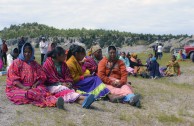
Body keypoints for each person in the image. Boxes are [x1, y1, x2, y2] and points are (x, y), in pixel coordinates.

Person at [5, 43, 64, 109]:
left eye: (29, 52)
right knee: (30, 93)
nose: (27, 54)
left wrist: (36, 84)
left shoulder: (35, 64)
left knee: (42, 90)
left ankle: (55, 101)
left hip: (33, 86)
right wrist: (23, 87)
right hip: (19, 87)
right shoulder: (16, 63)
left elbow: (42, 76)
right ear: (22, 52)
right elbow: (14, 78)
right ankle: (54, 102)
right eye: (25, 52)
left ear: (32, 52)